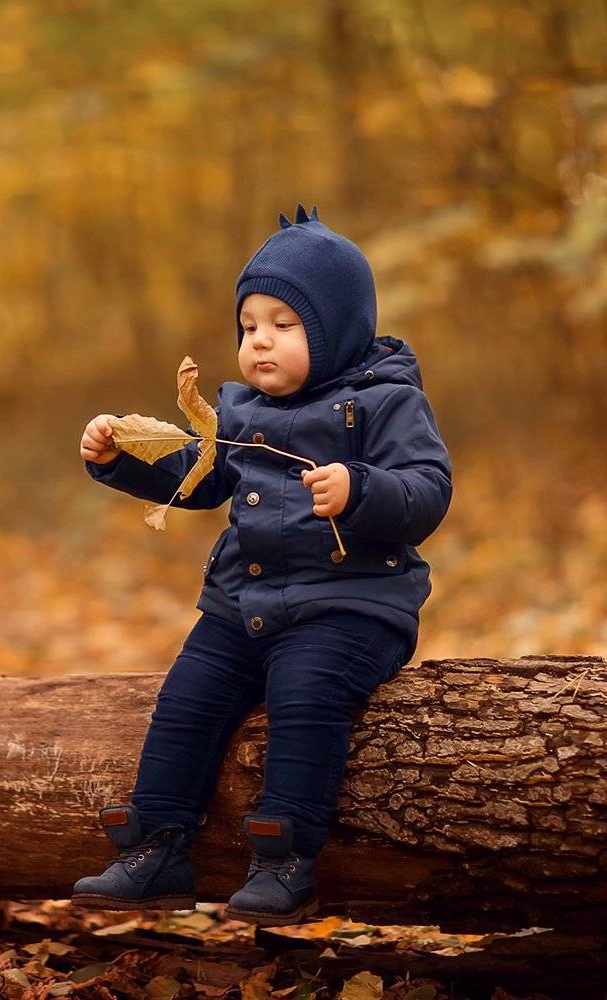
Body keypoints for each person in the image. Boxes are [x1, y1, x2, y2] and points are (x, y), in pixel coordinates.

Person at [72, 203, 453, 926]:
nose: (259, 343)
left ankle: (286, 855)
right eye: (249, 327)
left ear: (335, 328)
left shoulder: (386, 400)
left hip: (350, 604)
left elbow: (428, 490)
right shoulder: (238, 410)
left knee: (306, 696)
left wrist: (359, 488)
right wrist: (122, 461)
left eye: (283, 324)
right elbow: (200, 477)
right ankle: (156, 847)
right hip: (242, 602)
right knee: (186, 700)